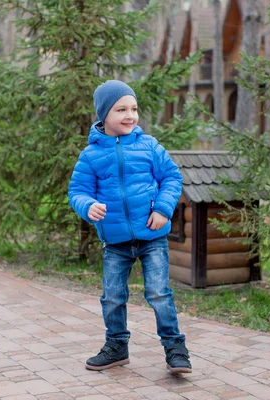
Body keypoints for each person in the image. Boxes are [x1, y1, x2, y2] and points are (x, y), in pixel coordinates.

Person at [68, 80, 191, 374]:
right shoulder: (91, 155)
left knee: (159, 293)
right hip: (115, 241)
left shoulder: (149, 146)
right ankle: (116, 347)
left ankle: (175, 349)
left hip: (152, 236)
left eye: (133, 108)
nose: (129, 115)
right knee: (112, 296)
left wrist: (163, 209)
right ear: (103, 115)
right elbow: (78, 191)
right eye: (121, 109)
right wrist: (87, 206)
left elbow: (172, 178)